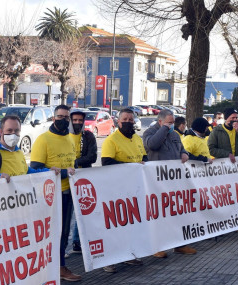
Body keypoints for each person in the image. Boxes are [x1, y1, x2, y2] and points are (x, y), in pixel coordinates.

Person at [30, 105, 81, 281]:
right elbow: (35, 168)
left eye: (66, 117)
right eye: (60, 116)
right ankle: (54, 267)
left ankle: (58, 266)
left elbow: (71, 163)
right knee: (52, 232)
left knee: (64, 232)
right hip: (50, 195)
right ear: (53, 118)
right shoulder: (43, 139)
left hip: (67, 193)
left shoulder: (69, 139)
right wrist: (62, 172)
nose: (63, 120)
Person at [143, 109, 196, 257]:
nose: (172, 125)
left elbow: (181, 148)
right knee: (159, 214)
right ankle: (157, 246)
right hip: (157, 181)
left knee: (177, 212)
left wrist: (184, 153)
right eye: (169, 123)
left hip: (174, 180)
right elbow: (153, 145)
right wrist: (164, 129)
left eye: (173, 122)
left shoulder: (174, 134)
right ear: (160, 121)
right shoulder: (150, 133)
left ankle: (180, 244)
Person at [101, 108, 147, 272]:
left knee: (131, 223)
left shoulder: (137, 139)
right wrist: (131, 167)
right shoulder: (111, 140)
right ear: (118, 122)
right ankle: (108, 259)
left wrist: (142, 164)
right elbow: (106, 162)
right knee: (115, 224)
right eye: (124, 120)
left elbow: (144, 157)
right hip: (116, 188)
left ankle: (128, 255)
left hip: (134, 187)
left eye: (130, 119)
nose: (128, 122)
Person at [0, 115, 43, 182]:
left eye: (16, 130)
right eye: (9, 130)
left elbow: (26, 171)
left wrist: (49, 172)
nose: (13, 134)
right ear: (1, 132)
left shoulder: (18, 152)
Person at [68, 108, 97, 254]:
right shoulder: (65, 136)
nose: (77, 123)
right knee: (68, 214)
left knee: (82, 211)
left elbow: (93, 156)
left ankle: (78, 242)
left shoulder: (88, 136)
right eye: (75, 120)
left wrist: (75, 162)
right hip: (66, 180)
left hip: (84, 178)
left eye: (80, 120)